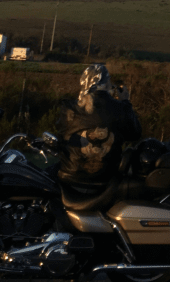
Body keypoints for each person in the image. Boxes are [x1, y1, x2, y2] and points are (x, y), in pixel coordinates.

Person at [56, 64, 141, 192]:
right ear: (107, 83)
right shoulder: (120, 108)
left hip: (70, 177)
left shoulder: (70, 108)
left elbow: (61, 133)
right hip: (105, 180)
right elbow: (135, 134)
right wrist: (125, 101)